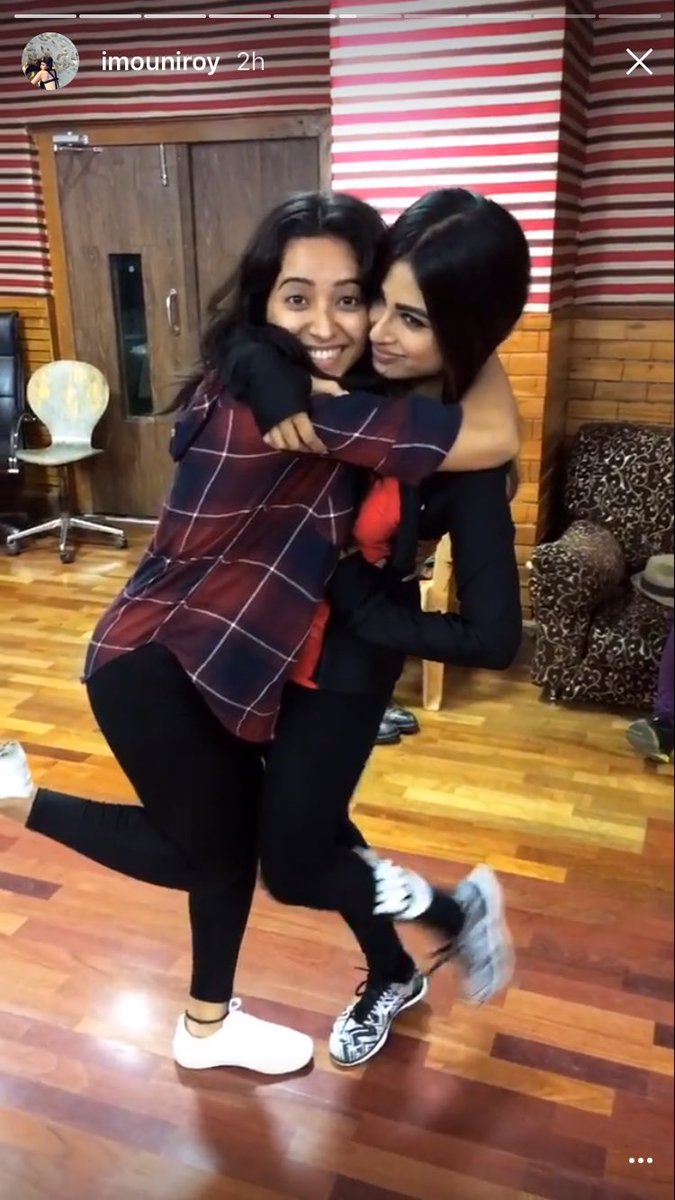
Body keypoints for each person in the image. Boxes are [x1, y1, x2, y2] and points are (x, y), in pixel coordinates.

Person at [0, 190, 519, 1077]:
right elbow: (492, 430)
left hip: (244, 664)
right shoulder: (306, 408)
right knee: (237, 856)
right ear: (263, 303)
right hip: (169, 663)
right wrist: (260, 353)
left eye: (353, 298)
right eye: (296, 298)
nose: (338, 325)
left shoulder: (309, 386)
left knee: (290, 837)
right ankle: (28, 813)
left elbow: (481, 438)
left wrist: (458, 330)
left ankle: (220, 1020)